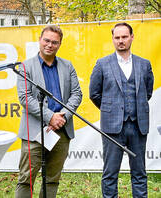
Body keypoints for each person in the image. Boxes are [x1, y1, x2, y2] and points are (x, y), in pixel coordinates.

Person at [15, 25, 82, 198]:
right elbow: (25, 98)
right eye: (46, 40)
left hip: (62, 130)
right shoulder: (25, 66)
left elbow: (76, 94)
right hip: (35, 131)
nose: (49, 45)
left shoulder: (68, 66)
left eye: (54, 42)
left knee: (52, 179)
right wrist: (50, 116)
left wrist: (63, 117)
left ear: (59, 44)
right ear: (39, 40)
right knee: (26, 179)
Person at [89, 22, 154, 198]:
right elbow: (94, 94)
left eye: (124, 37)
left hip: (138, 125)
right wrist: (111, 110)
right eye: (117, 37)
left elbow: (147, 92)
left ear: (132, 37)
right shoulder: (102, 64)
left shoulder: (144, 64)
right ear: (112, 39)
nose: (121, 41)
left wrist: (134, 108)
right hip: (112, 127)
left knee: (139, 173)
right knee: (110, 174)